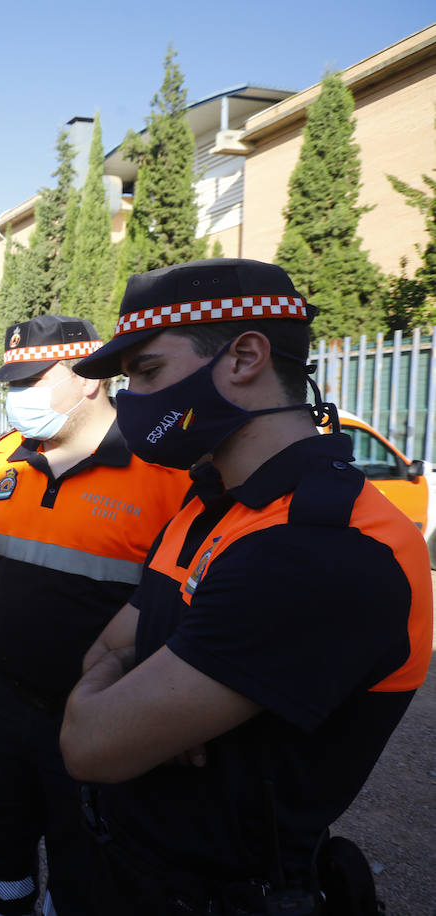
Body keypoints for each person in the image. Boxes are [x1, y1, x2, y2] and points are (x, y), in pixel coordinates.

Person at [60, 258, 433, 914]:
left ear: (245, 357)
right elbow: (105, 647)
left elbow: (90, 744)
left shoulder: (322, 548)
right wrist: (150, 694)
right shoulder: (213, 502)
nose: (131, 401)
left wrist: (134, 698)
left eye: (147, 372)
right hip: (125, 866)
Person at [0, 315, 190, 916]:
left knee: (92, 871)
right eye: (13, 381)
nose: (17, 397)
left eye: (33, 380)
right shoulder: (5, 458)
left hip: (103, 715)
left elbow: (190, 601)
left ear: (88, 379)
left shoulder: (165, 471)